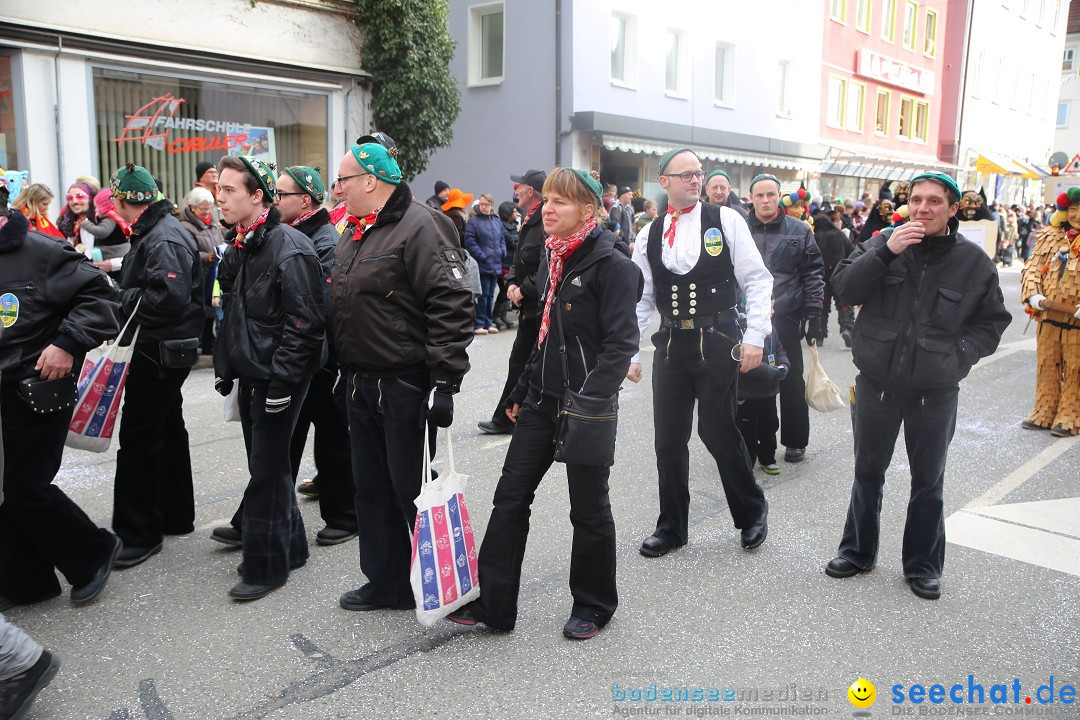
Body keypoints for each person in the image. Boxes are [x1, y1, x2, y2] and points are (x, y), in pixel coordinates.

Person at [448, 167, 642, 639]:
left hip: (586, 406)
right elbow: (546, 336)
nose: (547, 209)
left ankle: (594, 605)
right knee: (510, 497)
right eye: (547, 200)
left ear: (589, 211)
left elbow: (621, 346)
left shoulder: (613, 265)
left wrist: (590, 401)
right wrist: (520, 391)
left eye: (560, 202)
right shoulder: (553, 257)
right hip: (540, 399)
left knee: (588, 509)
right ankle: (494, 605)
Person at [825, 172, 1011, 600]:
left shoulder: (973, 262)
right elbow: (844, 287)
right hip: (877, 385)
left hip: (935, 390)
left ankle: (923, 565)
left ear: (951, 208)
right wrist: (887, 252)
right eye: (917, 200)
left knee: (928, 481)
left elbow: (992, 322)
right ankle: (856, 552)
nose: (923, 208)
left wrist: (958, 357)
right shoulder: (882, 242)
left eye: (934, 201)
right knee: (867, 473)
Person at [331, 142, 472, 612]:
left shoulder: (422, 224)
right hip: (360, 381)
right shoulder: (354, 230)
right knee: (369, 488)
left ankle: (435, 581)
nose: (338, 188)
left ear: (370, 181)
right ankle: (386, 581)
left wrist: (445, 383)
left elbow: (451, 305)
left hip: (404, 383)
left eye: (344, 179)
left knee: (409, 489)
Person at [628, 148, 773, 558]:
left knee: (717, 430)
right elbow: (641, 299)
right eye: (686, 174)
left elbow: (758, 281)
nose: (695, 180)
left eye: (699, 174)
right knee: (668, 439)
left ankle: (751, 511)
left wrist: (756, 336)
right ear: (665, 181)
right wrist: (632, 352)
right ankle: (672, 526)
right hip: (673, 343)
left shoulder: (725, 219)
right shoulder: (648, 233)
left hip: (719, 340)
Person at [0, 182, 123, 609]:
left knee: (25, 488)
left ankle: (93, 553)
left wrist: (67, 343)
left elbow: (104, 300)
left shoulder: (43, 252)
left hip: (35, 387)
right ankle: (28, 582)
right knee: (7, 490)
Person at [211, 156, 326, 601]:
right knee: (271, 468)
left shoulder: (289, 247)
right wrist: (228, 368)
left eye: (229, 190)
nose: (220, 197)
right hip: (253, 375)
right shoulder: (241, 244)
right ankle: (291, 547)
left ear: (256, 197)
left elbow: (305, 324)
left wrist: (281, 384)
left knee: (266, 472)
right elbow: (236, 315)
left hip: (278, 379)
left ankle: (265, 566)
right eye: (219, 189)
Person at [109, 163, 204, 570]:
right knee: (166, 428)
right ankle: (175, 514)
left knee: (139, 437)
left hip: (158, 348)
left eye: (116, 200)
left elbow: (166, 297)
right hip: (164, 346)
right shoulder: (157, 230)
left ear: (125, 200)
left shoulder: (162, 235)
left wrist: (121, 295)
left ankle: (138, 534)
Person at [260, 165, 357, 544]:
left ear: (305, 200)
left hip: (321, 357)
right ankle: (261, 512)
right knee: (286, 440)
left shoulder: (322, 239)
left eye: (281, 194)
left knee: (331, 438)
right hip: (302, 353)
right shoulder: (291, 233)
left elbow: (324, 307)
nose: (274, 200)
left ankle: (346, 515)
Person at [745, 174, 824, 463]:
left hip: (786, 318)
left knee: (790, 380)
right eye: (759, 195)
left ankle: (795, 440)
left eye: (771, 195)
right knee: (747, 381)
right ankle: (749, 440)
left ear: (779, 196)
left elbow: (813, 274)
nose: (765, 200)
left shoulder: (800, 230)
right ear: (751, 198)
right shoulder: (738, 228)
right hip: (745, 318)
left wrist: (814, 314)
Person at [477, 169, 546, 435]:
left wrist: (523, 290)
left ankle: (510, 416)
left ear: (530, 191)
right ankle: (511, 415)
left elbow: (545, 264)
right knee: (521, 362)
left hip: (536, 305)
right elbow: (520, 259)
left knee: (525, 363)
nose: (515, 190)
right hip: (527, 303)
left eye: (519, 186)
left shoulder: (544, 220)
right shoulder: (529, 219)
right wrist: (513, 284)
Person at [1020, 187, 1080, 437]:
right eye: (1074, 209)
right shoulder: (1051, 236)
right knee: (1047, 365)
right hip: (1047, 316)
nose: (1078, 215)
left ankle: (1070, 415)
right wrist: (1033, 294)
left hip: (1076, 321)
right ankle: (1044, 410)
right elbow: (1032, 266)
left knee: (1076, 368)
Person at [736, 320, 789, 475]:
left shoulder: (771, 328)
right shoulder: (742, 329)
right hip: (747, 393)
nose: (771, 311)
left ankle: (767, 458)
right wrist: (766, 371)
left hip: (769, 391)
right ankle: (747, 462)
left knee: (770, 425)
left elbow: (780, 351)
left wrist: (784, 365)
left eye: (772, 306)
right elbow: (741, 360)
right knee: (748, 430)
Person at [178, 186, 225, 355]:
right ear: (192, 207)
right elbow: (188, 252)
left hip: (213, 273)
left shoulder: (213, 224)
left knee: (211, 309)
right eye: (202, 208)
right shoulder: (185, 226)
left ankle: (208, 343)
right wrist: (207, 257)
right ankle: (201, 343)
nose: (207, 212)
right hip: (199, 273)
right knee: (200, 310)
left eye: (209, 208)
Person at [811, 210, 855, 347]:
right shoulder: (839, 235)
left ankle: (819, 335)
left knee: (822, 307)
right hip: (840, 277)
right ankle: (847, 328)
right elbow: (852, 252)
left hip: (821, 278)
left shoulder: (815, 237)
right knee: (844, 305)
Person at [464, 193, 506, 335]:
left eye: (486, 204)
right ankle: (479, 323)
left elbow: (502, 239)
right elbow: (469, 241)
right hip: (482, 263)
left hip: (495, 262)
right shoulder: (473, 221)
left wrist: (502, 252)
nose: (483, 206)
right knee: (482, 295)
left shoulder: (496, 221)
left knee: (490, 295)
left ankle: (488, 323)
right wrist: (481, 255)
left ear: (491, 205)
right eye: (481, 204)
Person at [493, 200, 519, 331]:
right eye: (514, 211)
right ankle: (496, 316)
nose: (516, 213)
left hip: (511, 262)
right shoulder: (502, 227)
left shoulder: (514, 225)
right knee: (503, 290)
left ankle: (502, 316)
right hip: (504, 263)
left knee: (505, 292)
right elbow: (513, 240)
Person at [193, 161, 222, 226]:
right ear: (201, 176)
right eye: (210, 172)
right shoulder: (195, 195)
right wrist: (214, 225)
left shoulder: (220, 191)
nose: (214, 175)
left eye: (215, 172)